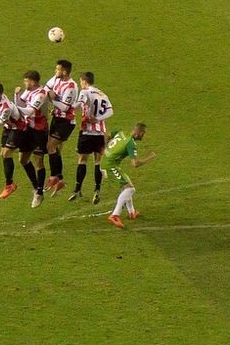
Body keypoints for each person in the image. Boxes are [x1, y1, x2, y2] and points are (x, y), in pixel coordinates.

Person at [70, 72, 114, 204]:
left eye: (80, 81)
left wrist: (61, 104)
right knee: (98, 161)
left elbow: (77, 106)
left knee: (82, 160)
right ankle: (97, 191)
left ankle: (77, 190)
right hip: (100, 133)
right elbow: (111, 111)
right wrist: (98, 119)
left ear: (84, 81)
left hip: (87, 131)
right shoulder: (102, 94)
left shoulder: (84, 92)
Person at [104, 123, 156, 229]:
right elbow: (135, 164)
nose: (143, 136)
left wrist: (105, 149)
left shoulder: (121, 133)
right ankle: (115, 215)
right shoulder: (131, 143)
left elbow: (107, 136)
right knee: (130, 189)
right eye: (143, 134)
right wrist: (149, 157)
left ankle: (132, 212)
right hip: (109, 166)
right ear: (140, 133)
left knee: (127, 186)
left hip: (108, 162)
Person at [14, 70, 50, 208]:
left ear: (33, 81)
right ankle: (36, 187)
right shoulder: (27, 92)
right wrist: (16, 95)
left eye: (26, 81)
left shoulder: (41, 94)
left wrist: (15, 105)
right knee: (23, 159)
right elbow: (20, 106)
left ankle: (39, 192)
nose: (24, 83)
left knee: (38, 161)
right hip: (27, 128)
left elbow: (29, 111)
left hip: (39, 130)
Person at [43, 60, 80, 196]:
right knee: (56, 149)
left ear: (64, 71)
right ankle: (60, 180)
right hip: (57, 118)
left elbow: (65, 107)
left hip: (66, 121)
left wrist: (52, 98)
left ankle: (54, 177)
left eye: (57, 69)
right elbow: (46, 88)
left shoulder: (71, 86)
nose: (55, 71)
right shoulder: (57, 79)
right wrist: (50, 94)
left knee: (50, 146)